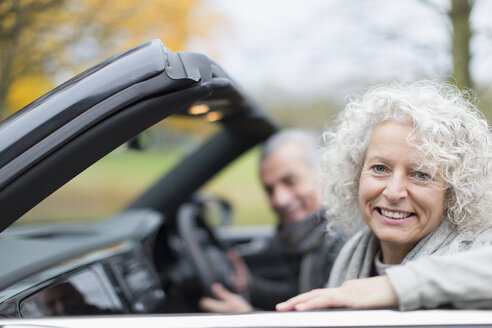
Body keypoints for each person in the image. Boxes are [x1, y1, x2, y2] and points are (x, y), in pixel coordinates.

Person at [277, 80, 492, 312]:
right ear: (356, 173)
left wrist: (393, 287)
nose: (393, 192)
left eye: (421, 175)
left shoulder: (477, 248)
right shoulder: (352, 255)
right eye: (380, 168)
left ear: (454, 191)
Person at [199, 129, 346, 312]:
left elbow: (327, 321)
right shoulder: (310, 237)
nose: (278, 200)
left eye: (290, 181)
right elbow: (300, 295)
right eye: (269, 190)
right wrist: (251, 285)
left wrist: (246, 318)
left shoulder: (341, 241)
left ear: (325, 175)